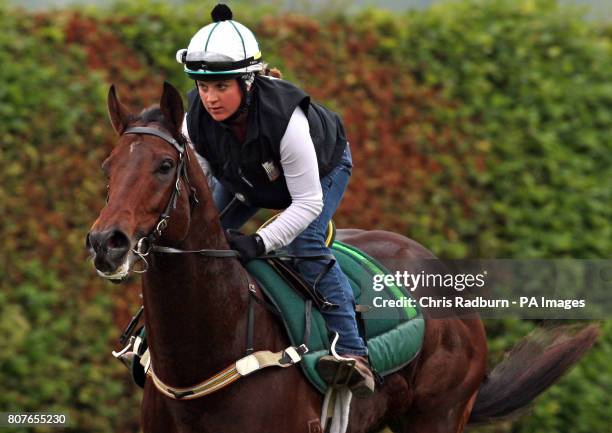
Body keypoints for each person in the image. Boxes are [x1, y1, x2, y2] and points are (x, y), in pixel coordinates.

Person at [176, 3, 374, 396]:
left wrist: (260, 241)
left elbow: (306, 204)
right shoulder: (193, 118)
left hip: (321, 174)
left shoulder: (287, 120)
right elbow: (197, 183)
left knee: (306, 244)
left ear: (247, 83)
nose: (210, 98)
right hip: (248, 180)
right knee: (200, 241)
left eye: (221, 86)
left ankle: (353, 352)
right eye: (203, 87)